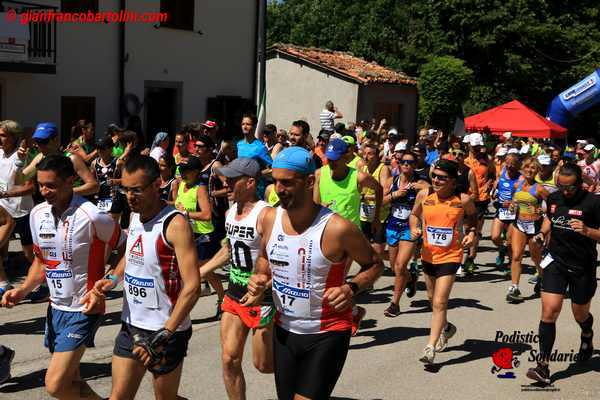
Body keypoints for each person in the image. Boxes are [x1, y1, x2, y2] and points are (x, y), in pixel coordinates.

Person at [244, 147, 383, 400]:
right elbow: (264, 258)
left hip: (327, 333)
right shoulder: (269, 218)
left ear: (309, 182)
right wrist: (260, 277)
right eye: (275, 181)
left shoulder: (337, 228)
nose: (278, 189)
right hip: (284, 330)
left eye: (287, 182)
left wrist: (351, 288)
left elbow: (375, 264)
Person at [1, 154, 123, 399]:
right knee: (72, 381)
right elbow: (41, 261)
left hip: (84, 309)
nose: (44, 191)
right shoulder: (37, 215)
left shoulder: (92, 215)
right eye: (41, 185)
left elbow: (127, 247)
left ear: (70, 181)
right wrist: (22, 290)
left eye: (51, 185)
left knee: (55, 384)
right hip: (55, 309)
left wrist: (111, 281)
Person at [84, 155, 201, 399]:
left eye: (136, 190)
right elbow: (132, 252)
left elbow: (192, 286)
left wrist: (166, 333)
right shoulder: (136, 215)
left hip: (166, 330)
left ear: (157, 184)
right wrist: (114, 279)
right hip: (131, 325)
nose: (129, 196)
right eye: (125, 189)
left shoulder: (175, 224)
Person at [198, 158, 275, 400]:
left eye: (232, 179)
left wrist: (265, 286)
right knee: (229, 359)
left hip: (262, 299)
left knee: (264, 365)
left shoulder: (266, 215)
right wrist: (198, 273)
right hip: (234, 294)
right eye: (225, 178)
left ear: (250, 182)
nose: (226, 183)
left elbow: (281, 259)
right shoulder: (231, 212)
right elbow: (229, 249)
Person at [526, 162, 600, 384]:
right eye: (561, 186)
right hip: (556, 262)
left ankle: (586, 333)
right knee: (549, 311)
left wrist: (588, 231)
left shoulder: (593, 203)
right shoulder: (555, 198)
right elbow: (550, 218)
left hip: (583, 266)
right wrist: (541, 233)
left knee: (580, 314)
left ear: (580, 184)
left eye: (570, 188)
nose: (565, 192)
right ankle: (543, 366)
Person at [410, 159, 477, 364]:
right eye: (435, 176)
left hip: (451, 256)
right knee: (432, 299)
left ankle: (430, 347)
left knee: (440, 302)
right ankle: (447, 328)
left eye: (442, 178)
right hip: (428, 255)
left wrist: (472, 233)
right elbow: (414, 215)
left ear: (453, 181)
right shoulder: (425, 195)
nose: (437, 180)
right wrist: (414, 227)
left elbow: (473, 218)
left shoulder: (463, 200)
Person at [314, 138, 382, 335]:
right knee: (326, 282)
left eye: (335, 159)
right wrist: (320, 209)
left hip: (351, 239)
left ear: (347, 157)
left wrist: (375, 217)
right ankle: (353, 310)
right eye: (328, 158)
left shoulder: (358, 177)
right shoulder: (320, 173)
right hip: (326, 235)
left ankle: (337, 321)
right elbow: (315, 203)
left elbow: (378, 189)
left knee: (335, 282)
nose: (331, 162)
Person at [172, 155, 223, 316]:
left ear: (196, 172)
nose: (183, 173)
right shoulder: (181, 185)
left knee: (206, 272)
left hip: (203, 235)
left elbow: (207, 214)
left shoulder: (199, 188)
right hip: (187, 234)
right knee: (183, 270)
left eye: (187, 171)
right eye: (181, 170)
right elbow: (176, 205)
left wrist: (186, 213)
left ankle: (222, 298)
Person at [384, 151, 429, 317]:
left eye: (410, 162)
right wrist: (395, 194)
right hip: (392, 226)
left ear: (415, 165)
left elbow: (435, 191)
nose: (406, 165)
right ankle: (410, 278)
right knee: (395, 267)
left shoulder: (420, 183)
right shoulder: (392, 181)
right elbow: (380, 201)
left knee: (400, 266)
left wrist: (424, 188)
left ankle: (394, 304)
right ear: (399, 163)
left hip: (410, 228)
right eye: (403, 161)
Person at [507, 158, 548, 303]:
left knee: (535, 258)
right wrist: (512, 206)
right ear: (522, 169)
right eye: (527, 167)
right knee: (516, 256)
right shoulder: (517, 184)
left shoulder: (540, 188)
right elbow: (514, 200)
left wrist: (539, 210)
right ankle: (514, 287)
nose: (529, 170)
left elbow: (552, 208)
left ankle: (542, 279)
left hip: (535, 227)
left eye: (533, 168)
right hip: (519, 224)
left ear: (537, 171)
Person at [20, 122, 99, 197]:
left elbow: (94, 186)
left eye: (43, 141)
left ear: (56, 140)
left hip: (71, 206)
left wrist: (64, 192)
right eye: (37, 141)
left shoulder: (71, 158)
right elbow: (20, 180)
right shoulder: (40, 158)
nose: (39, 146)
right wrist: (19, 161)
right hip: (49, 206)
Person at [0, 120, 35, 267]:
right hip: (3, 209)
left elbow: (30, 188)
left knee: (28, 253)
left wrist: (6, 194)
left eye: (3, 135)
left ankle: (43, 279)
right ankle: (6, 270)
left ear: (14, 137)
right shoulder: (0, 153)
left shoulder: (22, 157)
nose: (0, 138)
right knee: (2, 246)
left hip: (21, 212)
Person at [463, 133, 494, 274]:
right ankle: (461, 256)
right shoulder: (463, 160)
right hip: (465, 197)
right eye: (474, 147)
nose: (476, 149)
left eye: (478, 147)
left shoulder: (487, 160)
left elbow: (493, 175)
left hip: (481, 198)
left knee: (475, 229)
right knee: (464, 228)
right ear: (468, 145)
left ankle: (470, 258)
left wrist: (489, 182)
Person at [359, 143, 391, 260]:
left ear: (377, 156)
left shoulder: (383, 169)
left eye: (370, 154)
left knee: (378, 251)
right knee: (364, 248)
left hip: (380, 215)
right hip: (365, 214)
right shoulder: (363, 168)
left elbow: (384, 192)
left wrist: (366, 197)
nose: (366, 157)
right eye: (364, 154)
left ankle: (397, 256)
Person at [490, 154, 521, 272]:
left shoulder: (521, 178)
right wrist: (493, 193)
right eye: (508, 163)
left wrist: (514, 203)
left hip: (514, 213)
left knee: (510, 240)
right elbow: (495, 192)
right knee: (495, 237)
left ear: (518, 165)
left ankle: (510, 264)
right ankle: (501, 249)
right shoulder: (501, 175)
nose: (510, 166)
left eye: (513, 164)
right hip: (501, 211)